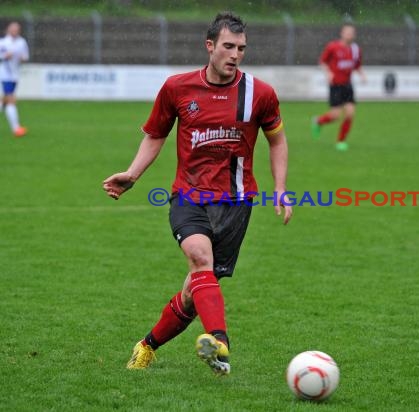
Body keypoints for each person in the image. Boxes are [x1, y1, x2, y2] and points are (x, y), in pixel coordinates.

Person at [103, 12, 292, 375]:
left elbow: (277, 140)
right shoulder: (177, 88)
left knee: (194, 292)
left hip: (236, 203)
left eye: (241, 48)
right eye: (228, 47)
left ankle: (147, 346)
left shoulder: (260, 93)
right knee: (198, 255)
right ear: (210, 46)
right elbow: (156, 133)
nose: (235, 54)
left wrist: (280, 189)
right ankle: (219, 341)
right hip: (189, 196)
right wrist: (133, 174)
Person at [312, 23, 365, 151]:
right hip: (335, 86)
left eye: (352, 33)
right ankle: (318, 121)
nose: (349, 35)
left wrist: (362, 74)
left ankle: (341, 141)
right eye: (347, 32)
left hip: (347, 86)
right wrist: (328, 73)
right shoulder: (333, 47)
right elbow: (322, 62)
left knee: (350, 114)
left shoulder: (356, 49)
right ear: (342, 33)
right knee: (335, 116)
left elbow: (357, 65)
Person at [0, 22, 29, 138]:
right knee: (11, 99)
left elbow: (26, 56)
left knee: (4, 101)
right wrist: (5, 56)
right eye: (13, 29)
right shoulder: (3, 42)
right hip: (5, 74)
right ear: (8, 29)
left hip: (15, 75)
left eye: (17, 29)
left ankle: (16, 128)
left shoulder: (22, 42)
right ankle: (16, 129)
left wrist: (22, 58)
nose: (15, 31)